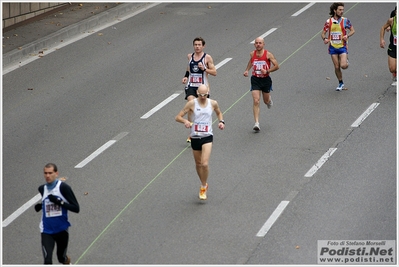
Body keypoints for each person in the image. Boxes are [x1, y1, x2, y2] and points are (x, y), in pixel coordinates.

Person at [175, 84, 225, 200]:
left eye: (205, 94)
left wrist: (221, 122)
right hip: (195, 136)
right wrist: (185, 121)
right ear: (197, 93)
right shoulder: (192, 104)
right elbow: (178, 117)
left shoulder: (213, 103)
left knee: (205, 163)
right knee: (198, 164)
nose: (203, 97)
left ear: (208, 93)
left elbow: (219, 113)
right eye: (201, 95)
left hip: (207, 136)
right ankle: (203, 183)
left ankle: (203, 186)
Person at [34, 163, 80, 264]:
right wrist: (40, 205)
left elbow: (76, 208)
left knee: (61, 258)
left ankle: (67, 261)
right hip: (46, 230)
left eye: (50, 173)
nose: (47, 176)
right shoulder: (42, 189)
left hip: (61, 229)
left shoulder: (64, 188)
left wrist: (60, 202)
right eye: (45, 173)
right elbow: (47, 201)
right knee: (47, 260)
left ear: (56, 173)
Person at [181, 37, 217, 143]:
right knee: (191, 105)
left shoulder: (207, 58)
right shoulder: (190, 56)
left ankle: (202, 130)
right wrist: (186, 76)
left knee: (201, 110)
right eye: (195, 45)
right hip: (191, 86)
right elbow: (189, 68)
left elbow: (214, 72)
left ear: (203, 46)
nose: (197, 47)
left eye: (199, 45)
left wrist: (204, 69)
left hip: (203, 88)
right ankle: (191, 134)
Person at [243, 37, 279, 132]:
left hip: (266, 80)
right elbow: (251, 61)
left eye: (260, 43)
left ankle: (269, 100)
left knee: (265, 101)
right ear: (254, 44)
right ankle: (257, 123)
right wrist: (247, 70)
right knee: (256, 100)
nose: (258, 44)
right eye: (256, 43)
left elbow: (277, 66)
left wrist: (267, 70)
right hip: (255, 79)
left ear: (263, 44)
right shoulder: (252, 54)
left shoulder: (268, 54)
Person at [321, 2, 355, 91]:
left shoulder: (345, 20)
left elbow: (352, 30)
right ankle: (340, 83)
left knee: (343, 65)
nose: (342, 11)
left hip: (342, 46)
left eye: (343, 10)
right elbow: (323, 33)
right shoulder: (329, 22)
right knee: (336, 66)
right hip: (333, 47)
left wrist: (347, 36)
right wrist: (324, 39)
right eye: (340, 10)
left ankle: (346, 61)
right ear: (334, 10)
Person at [380, 6, 397, 86]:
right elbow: (383, 27)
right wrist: (382, 39)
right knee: (392, 68)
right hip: (393, 46)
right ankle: (395, 75)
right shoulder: (392, 20)